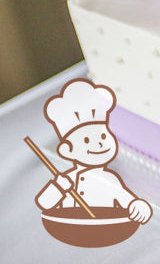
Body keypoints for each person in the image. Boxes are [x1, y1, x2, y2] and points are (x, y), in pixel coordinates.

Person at [34, 78, 152, 224]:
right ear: (68, 151)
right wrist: (59, 187)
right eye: (86, 140)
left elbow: (129, 202)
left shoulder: (111, 179)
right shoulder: (67, 179)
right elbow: (44, 203)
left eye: (103, 136)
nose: (99, 144)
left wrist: (138, 206)